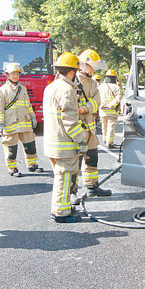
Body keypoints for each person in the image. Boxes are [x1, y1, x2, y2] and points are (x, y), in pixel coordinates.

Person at [43, 52, 88, 223]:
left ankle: (63, 206)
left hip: (52, 142)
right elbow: (69, 121)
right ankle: (61, 212)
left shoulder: (51, 87)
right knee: (64, 176)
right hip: (64, 144)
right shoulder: (67, 90)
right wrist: (82, 139)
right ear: (71, 72)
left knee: (60, 175)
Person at [71, 49, 112, 199]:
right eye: (91, 66)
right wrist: (81, 109)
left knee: (92, 158)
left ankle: (92, 186)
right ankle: (71, 192)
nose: (93, 69)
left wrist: (86, 108)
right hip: (77, 128)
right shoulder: (72, 81)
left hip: (90, 128)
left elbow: (97, 102)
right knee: (75, 161)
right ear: (83, 65)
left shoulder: (93, 83)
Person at [0, 63, 43, 177]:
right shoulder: (2, 91)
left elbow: (28, 105)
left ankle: (32, 165)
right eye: (13, 74)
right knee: (11, 148)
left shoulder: (23, 89)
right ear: (7, 75)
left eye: (17, 74)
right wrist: (0, 124)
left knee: (30, 145)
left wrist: (33, 117)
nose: (16, 76)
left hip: (24, 124)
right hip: (10, 124)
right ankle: (12, 168)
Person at [98, 69, 122, 149]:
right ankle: (110, 143)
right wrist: (110, 106)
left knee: (104, 126)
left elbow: (97, 98)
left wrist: (102, 106)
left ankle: (105, 139)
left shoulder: (100, 87)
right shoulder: (117, 87)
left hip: (102, 111)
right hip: (112, 111)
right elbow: (118, 99)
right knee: (111, 127)